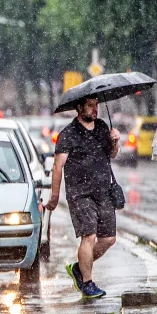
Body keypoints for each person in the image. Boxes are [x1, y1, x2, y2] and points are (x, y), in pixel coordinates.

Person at [45, 95, 121, 299]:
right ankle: (87, 282)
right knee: (89, 236)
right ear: (79, 108)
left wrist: (115, 142)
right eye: (90, 106)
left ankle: (79, 268)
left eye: (96, 106)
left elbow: (111, 155)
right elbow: (57, 166)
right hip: (80, 194)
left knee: (108, 239)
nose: (95, 110)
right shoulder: (68, 134)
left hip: (104, 192)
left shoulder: (103, 128)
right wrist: (54, 196)